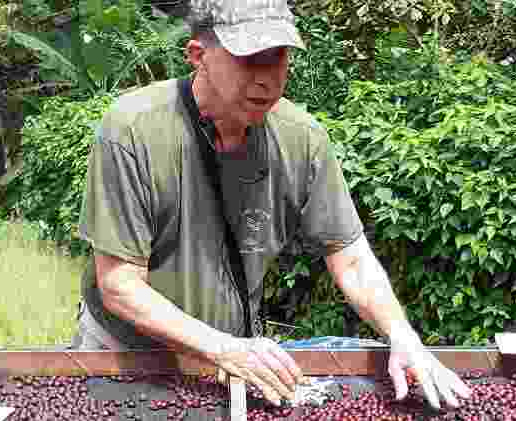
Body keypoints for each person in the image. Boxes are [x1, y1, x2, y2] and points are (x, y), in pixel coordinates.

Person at [70, 0, 472, 411]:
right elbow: (120, 285)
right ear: (198, 56)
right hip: (126, 353)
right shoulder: (132, 132)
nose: (266, 80)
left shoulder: (302, 140)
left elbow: (349, 258)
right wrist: (223, 349)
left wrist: (402, 336)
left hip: (230, 357)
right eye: (248, 59)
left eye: (277, 58)